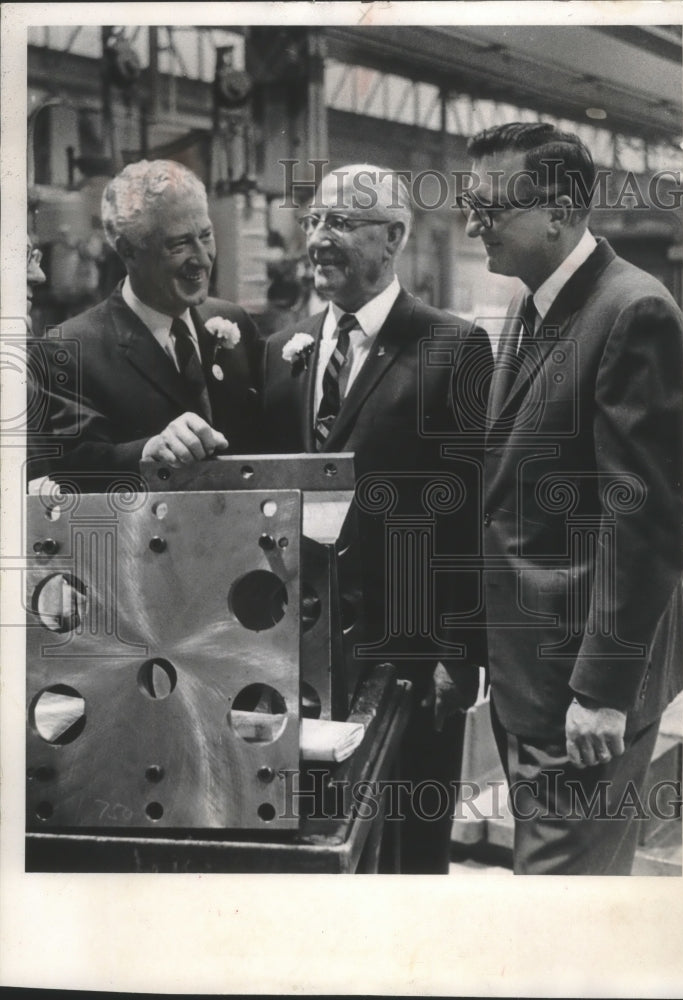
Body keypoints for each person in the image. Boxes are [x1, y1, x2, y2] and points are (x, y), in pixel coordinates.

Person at [461, 122, 683, 875]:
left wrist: (603, 690)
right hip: (533, 682)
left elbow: (645, 519)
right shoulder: (533, 307)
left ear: (558, 210)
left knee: (562, 913)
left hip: (582, 698)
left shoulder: (633, 313)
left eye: (489, 208)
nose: (472, 223)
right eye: (470, 204)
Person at [261, 163, 493, 873]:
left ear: (393, 236)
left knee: (410, 850)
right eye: (313, 222)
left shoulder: (453, 348)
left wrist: (462, 651)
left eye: (339, 223)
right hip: (297, 653)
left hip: (409, 655)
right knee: (317, 839)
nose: (318, 239)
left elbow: (471, 510)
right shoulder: (282, 353)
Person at [43, 159, 263, 489]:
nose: (202, 258)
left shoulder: (235, 322)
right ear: (128, 251)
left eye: (205, 236)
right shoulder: (69, 348)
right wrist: (149, 451)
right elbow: (70, 465)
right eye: (179, 244)